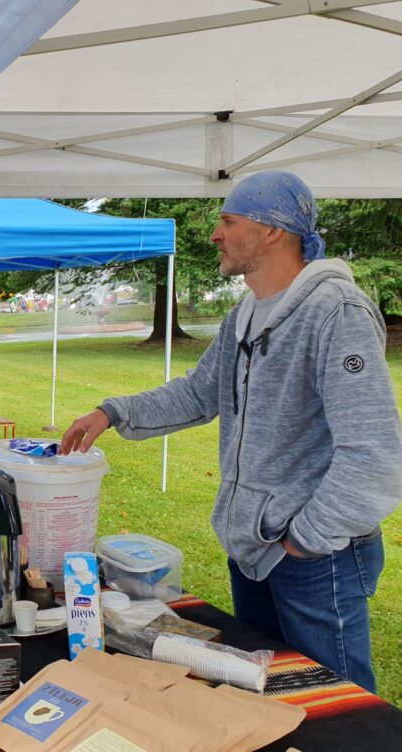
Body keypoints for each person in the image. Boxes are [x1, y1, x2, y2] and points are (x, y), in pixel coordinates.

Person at [61, 170, 402, 695]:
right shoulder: (245, 314)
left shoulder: (338, 313)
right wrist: (110, 413)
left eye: (228, 220)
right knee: (268, 691)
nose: (215, 233)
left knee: (336, 703)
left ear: (272, 231)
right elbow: (199, 394)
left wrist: (303, 540)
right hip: (254, 548)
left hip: (316, 555)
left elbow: (374, 455)